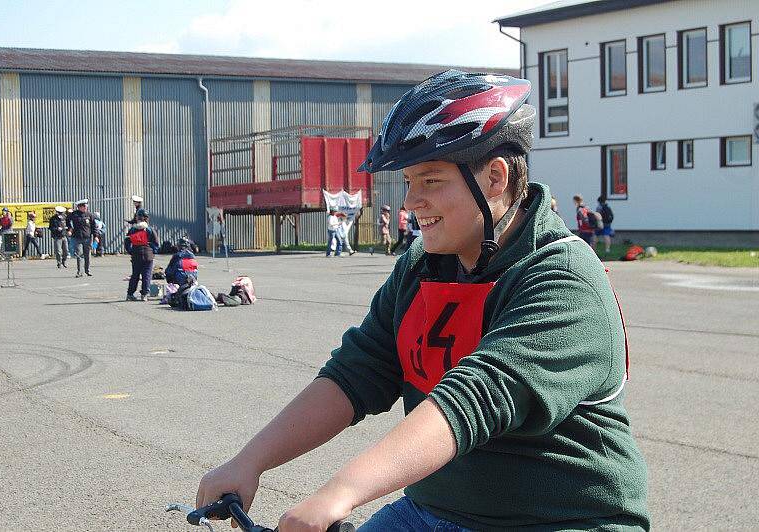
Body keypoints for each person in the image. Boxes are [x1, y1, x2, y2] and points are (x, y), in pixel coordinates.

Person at [196, 70, 649, 531]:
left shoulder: (562, 276)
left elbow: (477, 397)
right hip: (433, 511)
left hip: (558, 521)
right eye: (409, 182)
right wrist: (249, 461)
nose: (412, 201)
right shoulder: (423, 263)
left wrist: (340, 493)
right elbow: (360, 370)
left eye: (430, 180)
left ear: (495, 178)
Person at [124, 209, 159, 301]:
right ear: (146, 218)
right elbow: (156, 243)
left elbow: (127, 241)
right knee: (146, 275)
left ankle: (130, 293)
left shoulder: (133, 229)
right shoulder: (149, 230)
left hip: (136, 254)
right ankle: (144, 294)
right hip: (148, 255)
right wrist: (153, 252)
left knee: (135, 275)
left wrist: (130, 251)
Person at [66, 199, 96, 277]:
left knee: (87, 255)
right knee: (79, 254)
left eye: (86, 206)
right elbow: (67, 220)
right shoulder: (74, 214)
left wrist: (96, 236)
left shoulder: (90, 215)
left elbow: (94, 226)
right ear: (79, 207)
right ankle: (80, 272)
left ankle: (87, 270)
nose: (86, 208)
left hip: (88, 238)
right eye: (84, 206)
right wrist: (69, 229)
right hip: (77, 237)